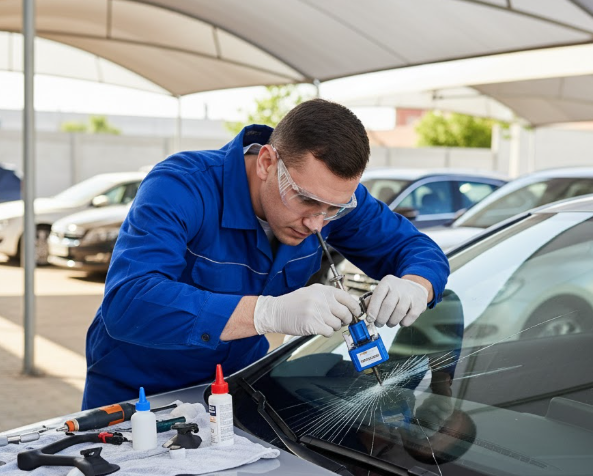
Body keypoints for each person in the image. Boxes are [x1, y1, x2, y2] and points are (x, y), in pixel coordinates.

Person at [82, 99, 449, 409]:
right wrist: (267, 313)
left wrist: (416, 284)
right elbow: (129, 303)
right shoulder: (181, 187)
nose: (317, 223)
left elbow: (417, 249)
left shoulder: (328, 200)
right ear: (267, 163)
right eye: (306, 200)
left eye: (333, 210)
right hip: (138, 394)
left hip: (236, 388)